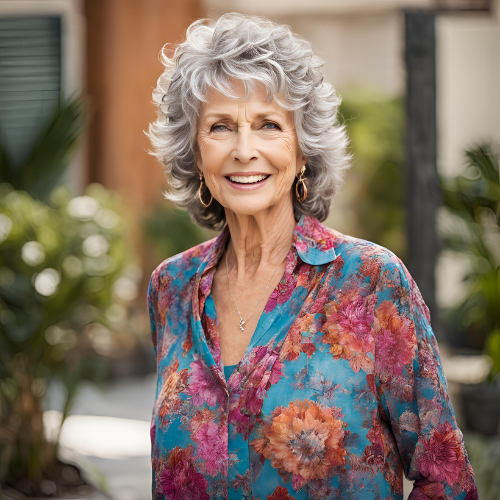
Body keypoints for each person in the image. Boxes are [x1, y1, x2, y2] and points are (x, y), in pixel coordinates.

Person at [146, 13, 477, 500]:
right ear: (195, 152)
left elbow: (444, 478)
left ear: (302, 151)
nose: (244, 149)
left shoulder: (371, 282)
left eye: (268, 125)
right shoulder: (170, 289)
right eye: (220, 126)